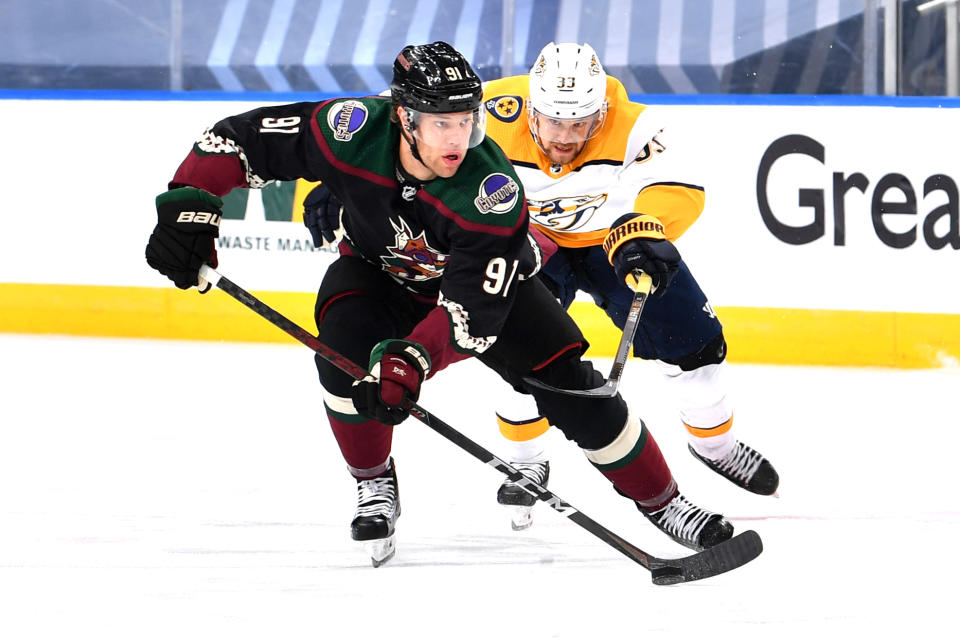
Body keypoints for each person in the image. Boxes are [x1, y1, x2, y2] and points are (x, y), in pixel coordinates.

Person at [146, 41, 733, 567]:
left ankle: (666, 503)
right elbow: (237, 140)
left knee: (577, 390)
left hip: (479, 291)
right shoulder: (350, 129)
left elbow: (472, 314)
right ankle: (374, 480)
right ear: (404, 117)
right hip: (374, 274)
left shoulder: (490, 192)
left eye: (467, 122)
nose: (458, 139)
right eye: (442, 124)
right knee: (341, 362)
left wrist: (413, 359)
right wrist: (191, 201)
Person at [467, 42, 779, 530]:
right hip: (527, 237)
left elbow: (682, 188)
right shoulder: (487, 109)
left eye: (580, 124)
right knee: (519, 344)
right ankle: (526, 459)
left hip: (615, 239)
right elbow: (392, 119)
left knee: (694, 344)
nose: (566, 138)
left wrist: (645, 227)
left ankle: (713, 445)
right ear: (531, 109)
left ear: (601, 110)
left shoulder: (636, 125)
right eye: (554, 122)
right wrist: (333, 186)